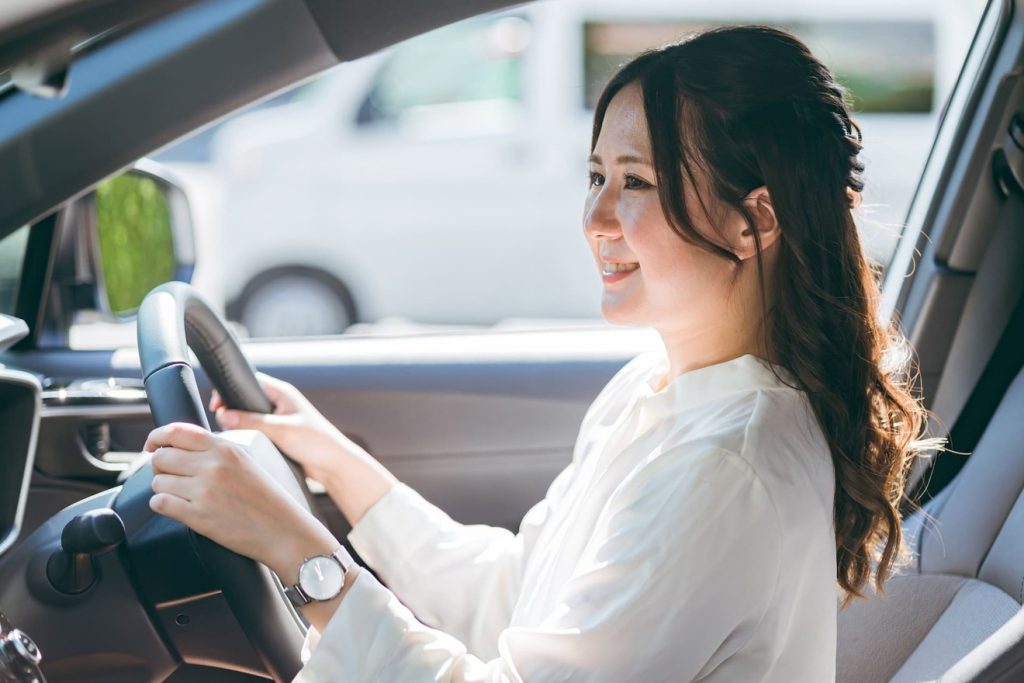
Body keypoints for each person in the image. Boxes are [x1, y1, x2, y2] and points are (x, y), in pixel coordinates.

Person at [143, 25, 932, 682]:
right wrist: (335, 462)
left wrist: (298, 549)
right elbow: (517, 591)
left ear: (752, 222)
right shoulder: (657, 388)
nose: (595, 216)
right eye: (595, 175)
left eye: (637, 182)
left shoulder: (731, 461)